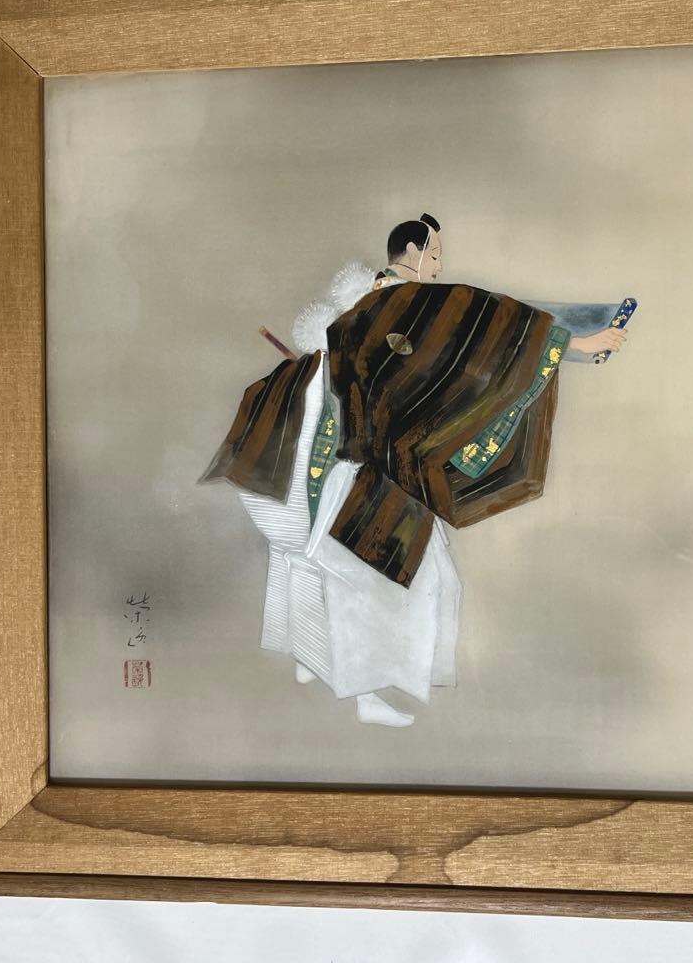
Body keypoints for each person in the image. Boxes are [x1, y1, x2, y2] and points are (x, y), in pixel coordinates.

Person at [200, 214, 627, 725]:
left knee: (367, 577)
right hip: (372, 476)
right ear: (412, 251)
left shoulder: (367, 309)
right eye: (435, 255)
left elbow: (464, 350)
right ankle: (365, 695)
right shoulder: (406, 305)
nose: (439, 267)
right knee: (386, 585)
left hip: (356, 470)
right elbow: (482, 334)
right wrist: (574, 345)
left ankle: (321, 662)